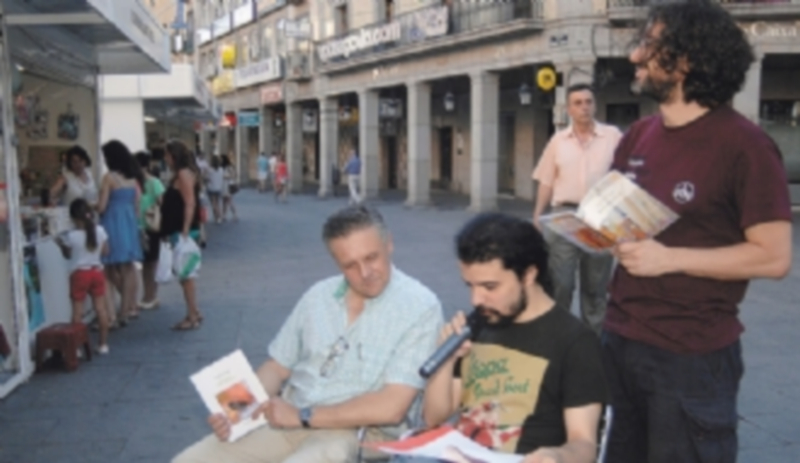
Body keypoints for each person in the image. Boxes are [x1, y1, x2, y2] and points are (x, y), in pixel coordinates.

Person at [602, 3, 793, 462]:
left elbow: (774, 256)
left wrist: (669, 258)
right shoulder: (638, 135)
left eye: (649, 44)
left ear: (686, 59)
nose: (635, 56)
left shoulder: (745, 146)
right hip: (620, 340)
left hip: (689, 356)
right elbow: (617, 219)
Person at [172, 205, 444, 463]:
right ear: (336, 262)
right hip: (286, 419)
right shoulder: (318, 296)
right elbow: (277, 367)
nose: (364, 273)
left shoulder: (419, 307)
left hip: (354, 433)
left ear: (389, 244)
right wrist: (236, 410)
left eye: (371, 257)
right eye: (350, 265)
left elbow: (392, 407)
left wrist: (302, 416)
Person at [416, 213, 607, 463]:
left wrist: (557, 456)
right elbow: (433, 418)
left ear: (528, 275)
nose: (476, 300)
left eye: (490, 287)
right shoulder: (478, 324)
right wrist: (447, 359)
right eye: (470, 286)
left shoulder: (575, 342)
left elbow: (584, 444)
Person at [531, 84, 622, 334]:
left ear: (595, 105)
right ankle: (559, 339)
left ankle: (592, 343)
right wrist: (538, 214)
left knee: (596, 287)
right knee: (561, 284)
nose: (584, 107)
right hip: (564, 217)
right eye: (578, 103)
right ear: (569, 109)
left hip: (601, 218)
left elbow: (626, 176)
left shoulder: (612, 136)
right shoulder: (558, 141)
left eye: (588, 102)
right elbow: (546, 180)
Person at [55, 198, 111, 354]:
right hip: (97, 271)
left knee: (77, 313)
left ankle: (77, 348)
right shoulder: (99, 231)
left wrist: (60, 245)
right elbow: (106, 251)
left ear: (73, 218)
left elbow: (67, 255)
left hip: (79, 274)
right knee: (101, 309)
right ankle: (103, 344)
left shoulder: (72, 236)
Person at [98, 140, 144, 326]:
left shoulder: (109, 178)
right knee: (128, 268)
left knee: (108, 270)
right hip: (129, 224)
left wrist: (91, 206)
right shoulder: (133, 180)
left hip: (111, 224)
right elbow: (137, 207)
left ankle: (111, 315)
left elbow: (102, 207)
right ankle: (127, 309)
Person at [161, 140, 204, 331]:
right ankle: (193, 311)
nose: (165, 159)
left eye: (167, 155)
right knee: (185, 274)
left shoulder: (183, 174)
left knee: (186, 275)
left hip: (182, 230)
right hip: (179, 229)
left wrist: (185, 230)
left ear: (174, 156)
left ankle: (192, 315)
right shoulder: (183, 174)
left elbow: (189, 203)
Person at [135, 151, 166, 310]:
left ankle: (151, 295)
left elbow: (162, 202)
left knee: (151, 263)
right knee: (145, 263)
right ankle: (148, 295)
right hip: (140, 226)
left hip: (152, 227)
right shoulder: (135, 183)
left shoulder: (154, 183)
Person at [206, 155, 224, 224]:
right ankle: (217, 217)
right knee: (217, 203)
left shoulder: (210, 170)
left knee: (214, 204)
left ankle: (219, 216)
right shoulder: (221, 169)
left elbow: (206, 178)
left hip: (211, 188)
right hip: (219, 188)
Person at [221, 154, 239, 221]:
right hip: (224, 185)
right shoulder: (223, 167)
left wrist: (226, 176)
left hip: (228, 184)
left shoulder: (229, 167)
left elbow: (234, 175)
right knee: (224, 201)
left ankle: (234, 214)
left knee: (229, 200)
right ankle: (224, 215)